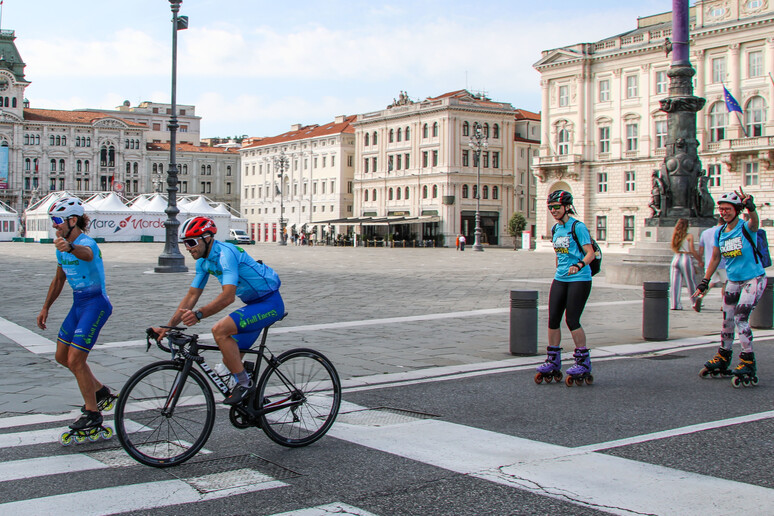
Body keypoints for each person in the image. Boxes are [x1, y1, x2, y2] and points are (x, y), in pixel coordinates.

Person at [153, 216, 285, 405]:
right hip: (254, 305)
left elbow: (228, 296)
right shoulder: (203, 262)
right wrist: (168, 327)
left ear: (207, 238)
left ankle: (245, 385)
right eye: (185, 243)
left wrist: (199, 314)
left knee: (220, 331)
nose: (188, 248)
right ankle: (253, 401)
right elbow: (191, 296)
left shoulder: (225, 254)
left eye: (191, 242)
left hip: (270, 303)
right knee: (229, 359)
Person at [37, 197, 114, 432]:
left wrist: (70, 247)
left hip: (96, 304)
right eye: (53, 220)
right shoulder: (61, 245)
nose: (54, 225)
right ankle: (100, 391)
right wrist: (46, 307)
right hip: (78, 303)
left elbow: (87, 255)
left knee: (76, 359)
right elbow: (59, 279)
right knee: (62, 356)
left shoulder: (86, 242)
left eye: (58, 220)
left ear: (73, 220)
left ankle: (93, 413)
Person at [694, 189, 766, 382]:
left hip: (753, 279)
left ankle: (748, 360)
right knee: (727, 319)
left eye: (727, 209)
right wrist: (704, 282)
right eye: (721, 209)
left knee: (741, 318)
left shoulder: (745, 227)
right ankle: (724, 356)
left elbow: (755, 221)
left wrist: (751, 207)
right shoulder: (719, 233)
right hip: (733, 280)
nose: (723, 212)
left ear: (736, 210)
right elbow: (716, 257)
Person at [535, 190, 596, 385]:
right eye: (550, 208)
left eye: (556, 207)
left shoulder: (578, 227)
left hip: (580, 278)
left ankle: (583, 362)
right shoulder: (555, 229)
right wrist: (559, 269)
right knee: (553, 319)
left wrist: (578, 265)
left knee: (572, 320)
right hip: (561, 278)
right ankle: (553, 360)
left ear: (566, 207)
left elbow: (590, 254)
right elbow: (558, 253)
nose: (553, 211)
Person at [669, 218, 702, 311]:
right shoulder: (689, 236)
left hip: (675, 258)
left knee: (674, 283)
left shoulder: (675, 236)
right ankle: (695, 301)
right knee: (691, 281)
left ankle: (675, 304)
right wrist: (699, 260)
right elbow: (692, 250)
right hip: (685, 258)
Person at [697, 217, 728, 303]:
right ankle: (723, 304)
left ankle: (701, 296)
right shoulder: (724, 232)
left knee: (709, 282)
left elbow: (701, 248)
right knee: (725, 284)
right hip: (723, 262)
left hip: (709, 263)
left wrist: (700, 260)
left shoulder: (705, 232)